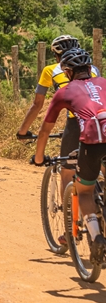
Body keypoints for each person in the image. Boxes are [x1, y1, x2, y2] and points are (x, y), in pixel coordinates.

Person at [31, 48, 106, 264]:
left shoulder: (64, 92)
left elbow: (45, 131)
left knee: (85, 192)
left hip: (92, 140)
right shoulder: (103, 82)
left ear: (67, 72)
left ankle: (96, 237)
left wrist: (39, 158)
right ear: (89, 68)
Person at [17, 35, 99, 232]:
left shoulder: (50, 70)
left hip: (76, 124)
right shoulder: (94, 69)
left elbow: (37, 105)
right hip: (100, 121)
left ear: (56, 56)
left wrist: (22, 131)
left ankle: (70, 229)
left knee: (67, 173)